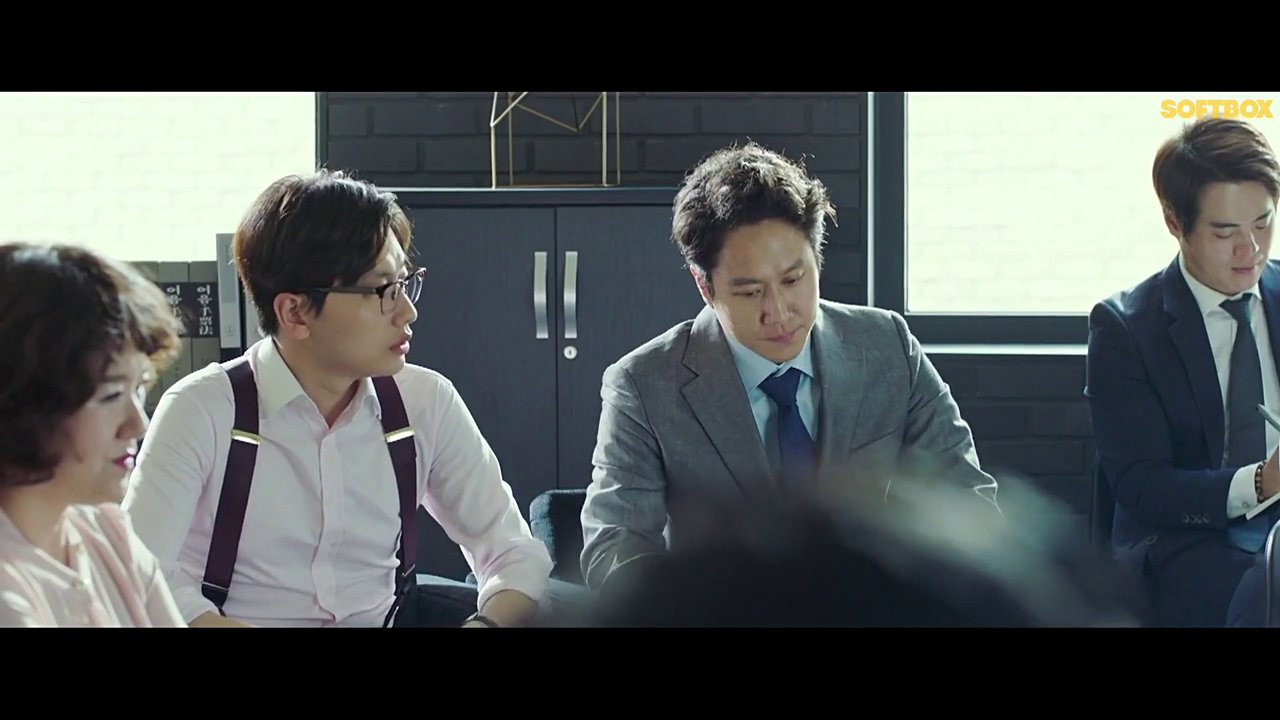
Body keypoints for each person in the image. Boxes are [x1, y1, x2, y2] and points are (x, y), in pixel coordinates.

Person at [123, 169, 552, 627]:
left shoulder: (424, 402)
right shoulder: (202, 410)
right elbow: (139, 578)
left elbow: (513, 553)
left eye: (405, 283)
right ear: (295, 312)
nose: (407, 311)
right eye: (383, 291)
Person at [579, 142, 999, 591]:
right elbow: (614, 552)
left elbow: (968, 503)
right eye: (750, 292)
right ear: (705, 286)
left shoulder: (887, 346)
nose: (779, 313)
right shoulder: (643, 386)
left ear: (817, 260)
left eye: (793, 279)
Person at [1086, 116, 1280, 627]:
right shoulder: (1126, 329)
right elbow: (1143, 487)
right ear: (1175, 223)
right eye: (1225, 232)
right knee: (1258, 590)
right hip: (1191, 539)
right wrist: (1262, 481)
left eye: (1263, 223)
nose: (1251, 249)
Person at [0, 242, 186, 627]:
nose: (138, 425)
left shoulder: (108, 533)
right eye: (111, 395)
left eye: (140, 388)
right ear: (25, 401)